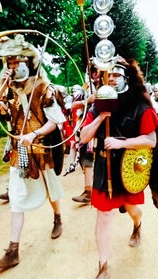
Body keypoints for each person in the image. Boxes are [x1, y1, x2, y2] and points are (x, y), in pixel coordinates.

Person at [80, 58, 158, 279]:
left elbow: (150, 140)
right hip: (103, 169)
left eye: (117, 75)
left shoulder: (141, 105)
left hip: (128, 169)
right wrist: (100, 117)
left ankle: (137, 225)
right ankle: (103, 267)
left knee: (133, 209)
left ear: (126, 78)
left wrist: (121, 143)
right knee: (104, 216)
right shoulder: (98, 104)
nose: (112, 79)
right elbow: (83, 137)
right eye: (108, 75)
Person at [0, 34, 67, 269]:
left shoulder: (43, 87)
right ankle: (13, 251)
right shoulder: (8, 90)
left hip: (40, 148)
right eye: (9, 63)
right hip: (18, 152)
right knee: (17, 198)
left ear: (28, 63)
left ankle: (57, 217)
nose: (12, 67)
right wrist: (1, 85)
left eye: (16, 63)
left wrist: (33, 134)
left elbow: (55, 121)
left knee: (51, 189)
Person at [70, 63, 100, 204]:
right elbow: (73, 106)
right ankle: (88, 190)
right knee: (86, 158)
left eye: (97, 71)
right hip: (88, 128)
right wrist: (87, 101)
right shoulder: (84, 89)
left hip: (106, 127)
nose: (95, 74)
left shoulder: (110, 87)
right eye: (92, 71)